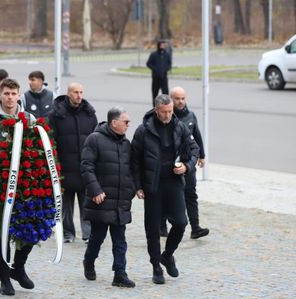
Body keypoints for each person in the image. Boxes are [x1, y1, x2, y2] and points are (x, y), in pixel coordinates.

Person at [0, 78, 36, 296]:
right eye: (6, 93)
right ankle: (4, 277)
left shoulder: (28, 119)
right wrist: (5, 148)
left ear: (19, 95)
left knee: (31, 228)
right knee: (3, 233)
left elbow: (38, 147)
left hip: (27, 185)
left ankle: (18, 268)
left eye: (14, 93)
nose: (10, 98)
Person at [131, 94, 199, 285]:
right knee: (152, 230)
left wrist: (187, 166)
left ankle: (167, 255)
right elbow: (134, 161)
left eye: (170, 111)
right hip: (152, 186)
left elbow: (194, 149)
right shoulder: (143, 131)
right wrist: (137, 186)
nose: (168, 115)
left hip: (174, 183)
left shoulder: (180, 126)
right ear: (156, 110)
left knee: (180, 223)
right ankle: (156, 268)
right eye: (164, 112)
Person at [80, 107, 136, 288]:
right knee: (98, 237)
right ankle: (89, 261)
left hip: (120, 201)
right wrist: (95, 190)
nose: (128, 125)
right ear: (114, 123)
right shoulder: (94, 139)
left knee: (120, 240)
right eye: (125, 122)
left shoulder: (125, 144)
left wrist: (132, 190)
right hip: (102, 200)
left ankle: (120, 273)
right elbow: (87, 167)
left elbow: (131, 171)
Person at [48, 82, 97, 243]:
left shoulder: (89, 113)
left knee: (86, 202)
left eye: (81, 92)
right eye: (76, 92)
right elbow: (51, 140)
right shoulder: (56, 114)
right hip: (64, 166)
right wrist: (55, 164)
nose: (79, 95)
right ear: (68, 93)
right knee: (66, 203)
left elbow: (96, 139)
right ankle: (68, 233)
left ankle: (88, 233)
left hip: (85, 166)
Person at [169, 86, 209, 239]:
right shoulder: (167, 116)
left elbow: (197, 136)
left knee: (190, 195)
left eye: (183, 98)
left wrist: (202, 156)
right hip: (171, 164)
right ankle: (162, 226)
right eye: (177, 98)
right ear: (171, 99)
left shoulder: (191, 116)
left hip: (188, 163)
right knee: (170, 196)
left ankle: (195, 227)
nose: (180, 101)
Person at [146, 40, 172, 106]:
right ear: (158, 46)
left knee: (166, 94)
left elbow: (169, 64)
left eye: (164, 45)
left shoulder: (167, 54)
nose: (163, 46)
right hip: (155, 77)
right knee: (155, 93)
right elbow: (148, 63)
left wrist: (166, 69)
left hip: (164, 78)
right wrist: (155, 69)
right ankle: (155, 108)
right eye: (161, 45)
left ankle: (166, 106)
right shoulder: (154, 54)